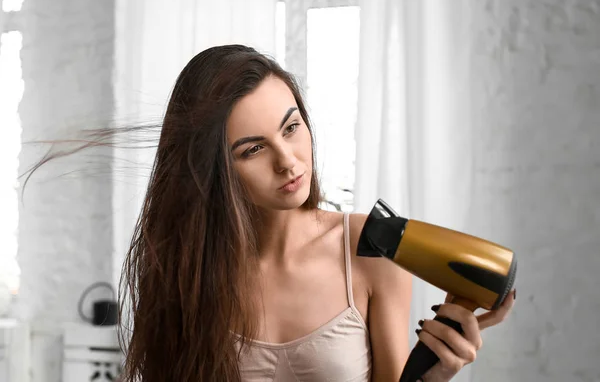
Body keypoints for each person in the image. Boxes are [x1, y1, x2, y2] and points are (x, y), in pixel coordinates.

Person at [28, 44, 516, 381]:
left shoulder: (370, 247)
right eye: (252, 149)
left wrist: (437, 367)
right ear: (213, 169)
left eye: (291, 127)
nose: (288, 160)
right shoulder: (188, 269)